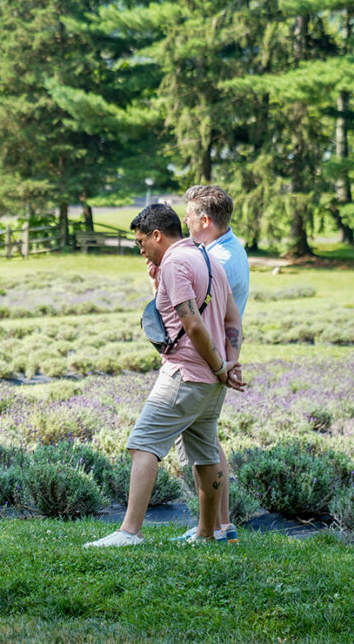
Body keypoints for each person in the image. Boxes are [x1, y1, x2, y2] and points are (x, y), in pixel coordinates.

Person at [85, 203, 245, 547]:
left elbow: (192, 323)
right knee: (206, 455)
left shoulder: (174, 262)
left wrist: (219, 366)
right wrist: (229, 366)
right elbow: (232, 320)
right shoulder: (208, 259)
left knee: (143, 444)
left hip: (185, 375)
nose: (140, 249)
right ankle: (207, 533)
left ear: (157, 235)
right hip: (211, 383)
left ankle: (130, 532)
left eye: (141, 241)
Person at [174, 184, 250, 543]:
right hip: (216, 360)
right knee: (207, 440)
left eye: (189, 215)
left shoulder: (215, 261)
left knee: (203, 443)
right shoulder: (228, 249)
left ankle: (217, 526)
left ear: (204, 220)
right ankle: (221, 526)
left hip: (207, 362)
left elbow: (195, 314)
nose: (185, 221)